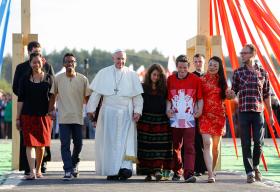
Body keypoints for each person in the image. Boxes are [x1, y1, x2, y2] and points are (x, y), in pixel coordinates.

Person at [86, 49, 143, 180]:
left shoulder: (132, 74)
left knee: (124, 143)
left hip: (126, 114)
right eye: (118, 59)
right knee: (109, 143)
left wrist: (137, 111)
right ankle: (111, 170)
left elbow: (138, 97)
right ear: (113, 58)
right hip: (108, 114)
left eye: (123, 59)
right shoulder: (103, 73)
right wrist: (91, 109)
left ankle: (124, 168)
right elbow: (96, 94)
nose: (120, 61)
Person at [227, 44, 274, 183]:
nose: (242, 55)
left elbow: (266, 95)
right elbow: (233, 92)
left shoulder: (263, 73)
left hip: (258, 111)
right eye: (241, 53)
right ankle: (249, 172)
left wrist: (270, 114)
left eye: (245, 53)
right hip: (243, 112)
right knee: (246, 143)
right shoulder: (238, 72)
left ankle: (256, 166)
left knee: (259, 143)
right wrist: (229, 94)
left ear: (253, 54)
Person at [12, 41, 54, 175]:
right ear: (29, 52)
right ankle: (29, 168)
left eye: (40, 53)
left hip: (43, 113)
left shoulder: (48, 68)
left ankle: (41, 166)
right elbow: (17, 91)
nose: (38, 58)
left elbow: (53, 92)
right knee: (28, 142)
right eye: (35, 52)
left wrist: (51, 108)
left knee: (42, 142)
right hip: (28, 111)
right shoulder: (21, 69)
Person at [49, 53, 92, 180]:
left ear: (75, 64)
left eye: (72, 61)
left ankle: (74, 163)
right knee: (65, 145)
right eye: (67, 62)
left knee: (79, 144)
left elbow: (88, 98)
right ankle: (68, 169)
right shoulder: (58, 79)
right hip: (63, 118)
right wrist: (50, 110)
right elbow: (52, 95)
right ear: (63, 64)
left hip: (78, 117)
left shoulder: (83, 79)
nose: (70, 64)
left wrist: (91, 113)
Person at [166, 55, 203, 183]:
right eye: (180, 67)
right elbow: (168, 99)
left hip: (189, 119)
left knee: (189, 147)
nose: (182, 70)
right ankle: (177, 171)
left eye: (185, 68)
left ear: (188, 67)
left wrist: (199, 110)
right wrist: (168, 109)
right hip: (175, 119)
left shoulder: (195, 80)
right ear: (177, 67)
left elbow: (199, 98)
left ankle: (189, 174)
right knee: (176, 146)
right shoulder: (170, 80)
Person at [136, 64, 173, 181]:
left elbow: (168, 102)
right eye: (154, 74)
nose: (156, 77)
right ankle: (148, 173)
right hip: (145, 121)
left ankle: (158, 170)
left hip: (161, 121)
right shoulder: (142, 87)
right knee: (145, 148)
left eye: (158, 75)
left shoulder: (165, 89)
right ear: (149, 75)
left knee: (160, 148)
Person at [199, 56, 229, 183]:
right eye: (210, 65)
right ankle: (210, 173)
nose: (212, 67)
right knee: (207, 143)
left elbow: (227, 96)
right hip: (205, 115)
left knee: (215, 148)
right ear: (207, 65)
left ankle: (212, 169)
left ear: (219, 68)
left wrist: (232, 95)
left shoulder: (222, 81)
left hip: (219, 117)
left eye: (215, 66)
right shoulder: (201, 80)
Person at [192, 53, 207, 176]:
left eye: (200, 61)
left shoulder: (209, 76)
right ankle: (199, 168)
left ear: (204, 62)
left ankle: (208, 167)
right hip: (196, 112)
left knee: (207, 142)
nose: (198, 64)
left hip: (208, 113)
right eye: (196, 61)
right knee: (196, 141)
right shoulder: (191, 77)